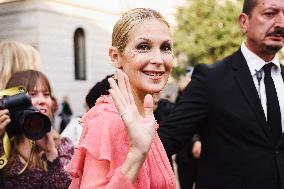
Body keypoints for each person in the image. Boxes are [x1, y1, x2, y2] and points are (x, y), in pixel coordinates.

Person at [112, 0, 284, 189]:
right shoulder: (211, 78)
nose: (280, 23)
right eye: (270, 13)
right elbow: (167, 140)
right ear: (244, 21)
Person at [66, 8, 176, 188]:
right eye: (143, 47)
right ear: (116, 56)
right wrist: (137, 154)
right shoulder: (107, 120)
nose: (158, 59)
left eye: (165, 47)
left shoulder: (143, 117)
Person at [0, 70, 74, 188]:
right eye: (32, 94)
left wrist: (51, 152)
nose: (42, 100)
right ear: (14, 102)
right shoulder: (6, 145)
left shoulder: (63, 145)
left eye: (46, 94)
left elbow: (69, 186)